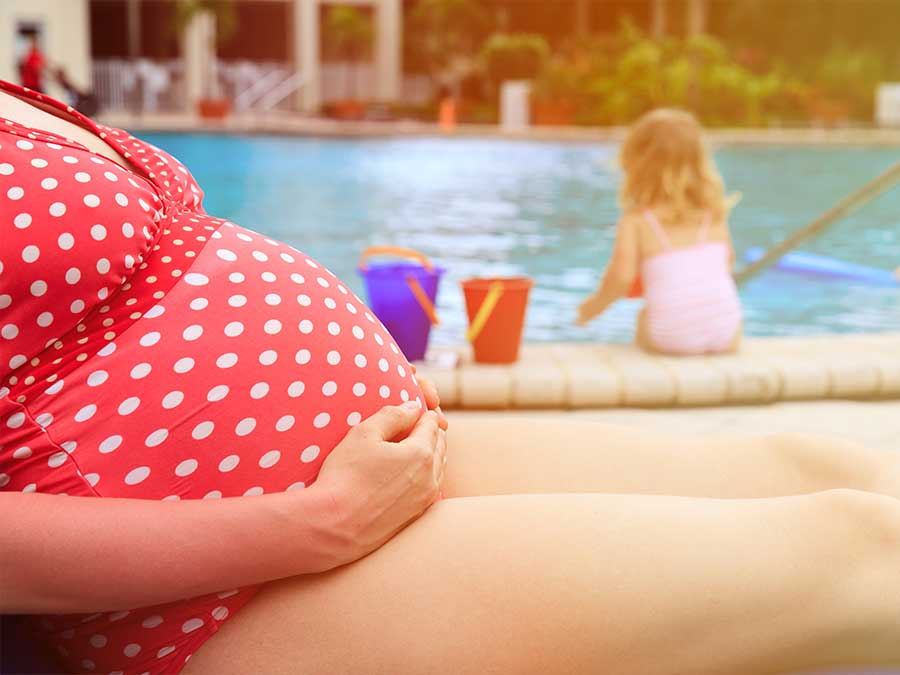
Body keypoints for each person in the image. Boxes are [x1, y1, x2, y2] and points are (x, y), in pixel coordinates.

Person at [5, 80, 900, 675]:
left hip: (375, 473)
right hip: (227, 588)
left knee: (815, 466)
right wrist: (306, 524)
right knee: (854, 548)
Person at [576, 108, 742, 355]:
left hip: (672, 338)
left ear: (635, 163)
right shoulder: (713, 213)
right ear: (699, 160)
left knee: (645, 317)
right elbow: (727, 264)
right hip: (729, 333)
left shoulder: (638, 221)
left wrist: (590, 309)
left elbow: (620, 279)